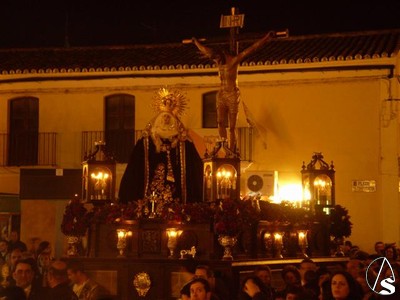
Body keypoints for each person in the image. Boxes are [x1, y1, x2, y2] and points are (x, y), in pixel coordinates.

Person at [191, 31, 276, 152]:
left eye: (218, 59)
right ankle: (223, 145)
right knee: (220, 122)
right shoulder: (218, 60)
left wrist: (266, 38)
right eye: (216, 60)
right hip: (221, 94)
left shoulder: (234, 60)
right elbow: (205, 50)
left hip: (232, 94)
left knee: (231, 127)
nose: (217, 62)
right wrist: (196, 42)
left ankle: (231, 148)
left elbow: (252, 49)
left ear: (223, 54)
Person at [119, 87, 203, 205]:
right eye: (163, 118)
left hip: (176, 191)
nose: (166, 120)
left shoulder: (183, 142)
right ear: (158, 120)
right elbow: (135, 168)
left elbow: (194, 169)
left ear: (174, 121)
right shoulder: (146, 142)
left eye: (169, 118)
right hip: (151, 192)